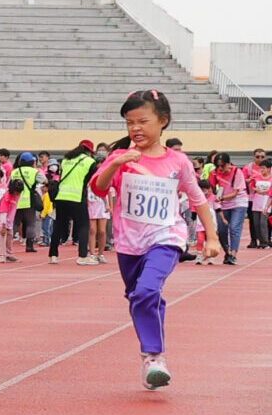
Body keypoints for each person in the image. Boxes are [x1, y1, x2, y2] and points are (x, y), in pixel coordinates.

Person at [93, 90, 218, 388]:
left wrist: (212, 237)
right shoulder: (119, 157)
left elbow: (198, 198)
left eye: (142, 121)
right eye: (129, 123)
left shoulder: (178, 161)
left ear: (162, 121)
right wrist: (115, 163)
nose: (135, 128)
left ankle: (153, 357)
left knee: (147, 291)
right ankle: (153, 357)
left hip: (166, 238)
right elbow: (99, 188)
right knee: (140, 297)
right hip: (128, 244)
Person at [49, 139, 99, 266]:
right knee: (83, 225)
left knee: (59, 226)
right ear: (89, 151)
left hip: (61, 196)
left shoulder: (66, 160)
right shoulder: (90, 161)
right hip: (76, 196)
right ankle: (82, 256)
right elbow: (93, 179)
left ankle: (53, 255)